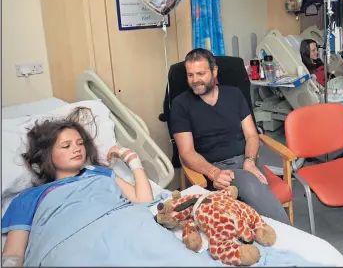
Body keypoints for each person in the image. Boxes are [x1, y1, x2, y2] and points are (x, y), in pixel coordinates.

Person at [0, 107, 218, 266]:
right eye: (66, 146)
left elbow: (143, 201)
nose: (77, 149)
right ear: (46, 155)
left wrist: (132, 160)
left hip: (131, 228)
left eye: (79, 143)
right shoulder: (29, 197)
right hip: (71, 246)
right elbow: (13, 254)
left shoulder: (101, 174)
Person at [170, 48, 291, 225]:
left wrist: (249, 161)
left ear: (214, 71)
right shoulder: (181, 105)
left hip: (246, 160)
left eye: (201, 74)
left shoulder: (234, 94)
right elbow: (186, 152)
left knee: (249, 190)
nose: (195, 80)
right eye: (190, 75)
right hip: (215, 169)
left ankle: (278, 239)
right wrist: (214, 173)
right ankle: (287, 238)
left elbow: (251, 135)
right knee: (249, 188)